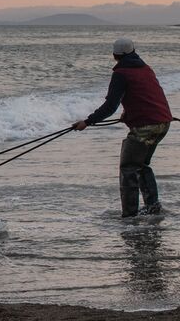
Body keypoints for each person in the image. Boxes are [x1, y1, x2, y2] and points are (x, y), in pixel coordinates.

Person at [72, 37, 173, 217]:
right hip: (163, 123)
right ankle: (153, 207)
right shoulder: (145, 68)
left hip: (146, 126)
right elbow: (147, 95)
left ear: (114, 55)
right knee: (141, 165)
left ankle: (129, 216)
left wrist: (87, 122)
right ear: (134, 51)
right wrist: (130, 113)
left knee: (128, 167)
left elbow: (110, 106)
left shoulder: (121, 73)